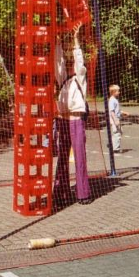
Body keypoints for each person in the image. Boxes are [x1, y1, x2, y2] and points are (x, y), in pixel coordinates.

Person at [53, 23, 92, 206]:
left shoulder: (79, 78)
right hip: (62, 119)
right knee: (62, 157)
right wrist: (58, 42)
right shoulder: (62, 79)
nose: (69, 64)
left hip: (76, 119)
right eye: (67, 62)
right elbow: (57, 61)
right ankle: (60, 191)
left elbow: (79, 61)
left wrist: (76, 40)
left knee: (79, 156)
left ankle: (83, 193)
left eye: (71, 63)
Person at [108, 84, 128, 153]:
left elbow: (117, 110)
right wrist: (115, 120)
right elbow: (112, 112)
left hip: (117, 118)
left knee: (120, 132)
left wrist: (123, 112)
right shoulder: (112, 100)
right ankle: (116, 149)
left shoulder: (115, 100)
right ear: (113, 92)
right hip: (114, 119)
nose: (119, 92)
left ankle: (113, 144)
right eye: (118, 91)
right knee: (117, 133)